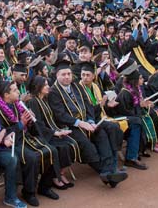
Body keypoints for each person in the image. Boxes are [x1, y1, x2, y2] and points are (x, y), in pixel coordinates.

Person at [46, 59, 127, 188]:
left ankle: (109, 171)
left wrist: (90, 121)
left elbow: (88, 106)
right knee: (86, 145)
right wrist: (81, 123)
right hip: (69, 126)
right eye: (63, 74)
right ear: (57, 75)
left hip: (86, 121)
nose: (67, 77)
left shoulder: (76, 86)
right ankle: (107, 172)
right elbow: (60, 115)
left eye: (68, 74)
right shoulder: (53, 92)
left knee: (101, 133)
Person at [0, 80, 57, 206]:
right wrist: (21, 124)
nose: (19, 92)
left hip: (25, 137)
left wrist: (30, 120)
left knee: (52, 150)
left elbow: (30, 127)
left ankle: (45, 187)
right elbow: (3, 133)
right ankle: (29, 192)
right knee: (32, 158)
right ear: (6, 95)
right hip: (12, 143)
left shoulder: (18, 104)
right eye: (15, 90)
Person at [25, 75, 76, 191]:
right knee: (60, 147)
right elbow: (37, 125)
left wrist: (59, 130)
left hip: (49, 131)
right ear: (38, 86)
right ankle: (54, 177)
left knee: (69, 143)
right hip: (40, 135)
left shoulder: (44, 99)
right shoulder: (33, 102)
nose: (49, 87)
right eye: (46, 85)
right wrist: (54, 133)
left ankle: (60, 173)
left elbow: (50, 119)